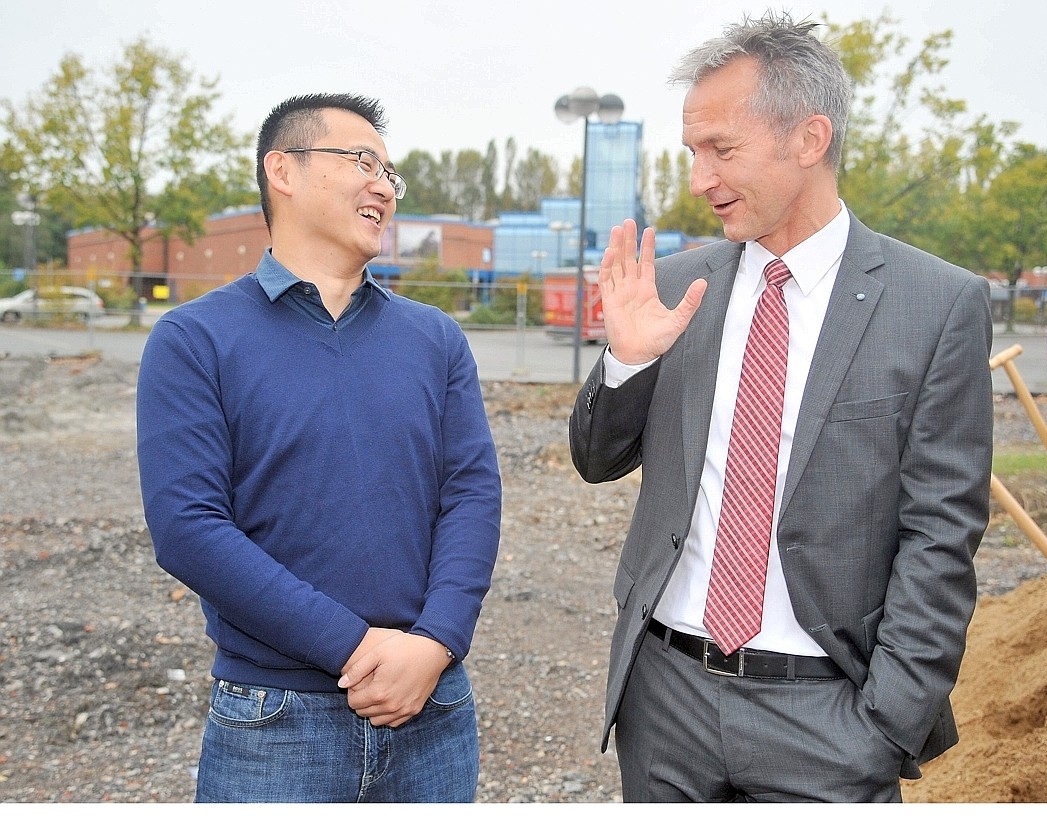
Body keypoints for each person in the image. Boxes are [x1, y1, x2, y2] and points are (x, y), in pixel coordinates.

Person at [569, 11, 994, 803]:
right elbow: (596, 460)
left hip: (829, 718)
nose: (700, 178)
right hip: (665, 699)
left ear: (809, 138)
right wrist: (627, 361)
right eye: (693, 151)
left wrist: (884, 724)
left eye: (721, 149)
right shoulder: (674, 285)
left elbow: (941, 531)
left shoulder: (937, 304)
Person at [136, 93, 502, 803]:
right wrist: (358, 649)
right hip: (274, 723)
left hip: (434, 705)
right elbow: (188, 529)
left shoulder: (435, 339)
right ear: (283, 170)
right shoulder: (194, 340)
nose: (382, 187)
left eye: (389, 174)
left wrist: (435, 644)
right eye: (361, 161)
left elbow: (471, 493)